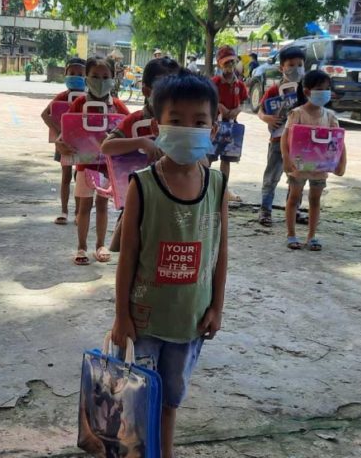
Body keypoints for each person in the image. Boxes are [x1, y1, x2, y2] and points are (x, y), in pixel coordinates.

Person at [111, 72, 227, 458]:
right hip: (145, 320)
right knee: (138, 396)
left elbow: (220, 251)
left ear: (215, 124)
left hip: (189, 320)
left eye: (200, 121)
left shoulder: (218, 185)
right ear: (157, 122)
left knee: (171, 397)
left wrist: (217, 307)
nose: (188, 129)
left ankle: (165, 452)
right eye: (176, 120)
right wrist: (121, 316)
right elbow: (128, 255)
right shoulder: (142, 184)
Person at [101, 57, 181, 252]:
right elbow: (107, 146)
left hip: (174, 203)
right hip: (137, 202)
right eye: (164, 86)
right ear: (146, 90)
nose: (172, 93)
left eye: (177, 86)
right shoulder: (135, 121)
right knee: (129, 251)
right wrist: (141, 142)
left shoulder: (184, 121)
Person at [57, 57, 129, 265]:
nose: (100, 81)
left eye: (105, 77)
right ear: (87, 78)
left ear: (113, 78)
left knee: (103, 204)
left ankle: (100, 244)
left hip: (108, 167)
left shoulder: (117, 106)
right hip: (84, 164)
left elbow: (129, 126)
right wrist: (61, 144)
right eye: (95, 76)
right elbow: (66, 130)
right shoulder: (80, 103)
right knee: (84, 207)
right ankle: (81, 246)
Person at [281, 70, 346, 251]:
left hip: (320, 167)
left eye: (327, 89)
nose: (324, 92)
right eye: (320, 89)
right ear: (307, 90)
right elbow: (285, 138)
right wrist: (286, 159)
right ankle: (291, 234)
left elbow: (339, 141)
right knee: (294, 198)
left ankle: (312, 236)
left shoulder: (330, 116)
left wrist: (342, 162)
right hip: (299, 166)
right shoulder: (296, 114)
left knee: (315, 200)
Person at [257, 46, 306, 226]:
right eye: (291, 65)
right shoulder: (274, 90)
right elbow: (261, 111)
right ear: (281, 68)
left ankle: (293, 210)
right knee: (272, 176)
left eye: (300, 64)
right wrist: (267, 118)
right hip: (278, 141)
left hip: (301, 143)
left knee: (297, 177)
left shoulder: (306, 91)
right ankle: (265, 210)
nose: (296, 68)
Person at [42, 57, 87, 226]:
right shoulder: (61, 97)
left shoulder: (89, 98)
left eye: (80, 74)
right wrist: (60, 131)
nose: (75, 76)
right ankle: (64, 211)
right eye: (72, 73)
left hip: (83, 144)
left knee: (80, 176)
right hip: (63, 144)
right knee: (66, 176)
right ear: (65, 74)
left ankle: (77, 212)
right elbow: (45, 114)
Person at [210, 46, 248, 204]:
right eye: (226, 63)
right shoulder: (215, 82)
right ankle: (204, 186)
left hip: (232, 125)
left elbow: (244, 101)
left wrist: (238, 109)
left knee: (227, 159)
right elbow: (208, 100)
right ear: (220, 64)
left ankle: (223, 189)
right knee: (209, 157)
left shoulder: (239, 85)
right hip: (214, 125)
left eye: (232, 62)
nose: (229, 66)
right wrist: (219, 106)